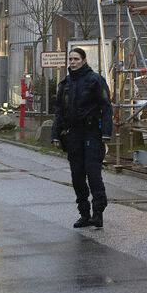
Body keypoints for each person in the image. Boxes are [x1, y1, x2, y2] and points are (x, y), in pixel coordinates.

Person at [50, 47, 111, 229]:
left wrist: (106, 133)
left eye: (76, 59)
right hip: (73, 134)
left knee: (93, 174)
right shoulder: (66, 84)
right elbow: (59, 111)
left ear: (84, 60)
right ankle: (84, 214)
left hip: (92, 133)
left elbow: (106, 107)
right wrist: (55, 134)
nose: (73, 62)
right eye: (70, 59)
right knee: (77, 176)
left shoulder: (95, 80)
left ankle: (98, 213)